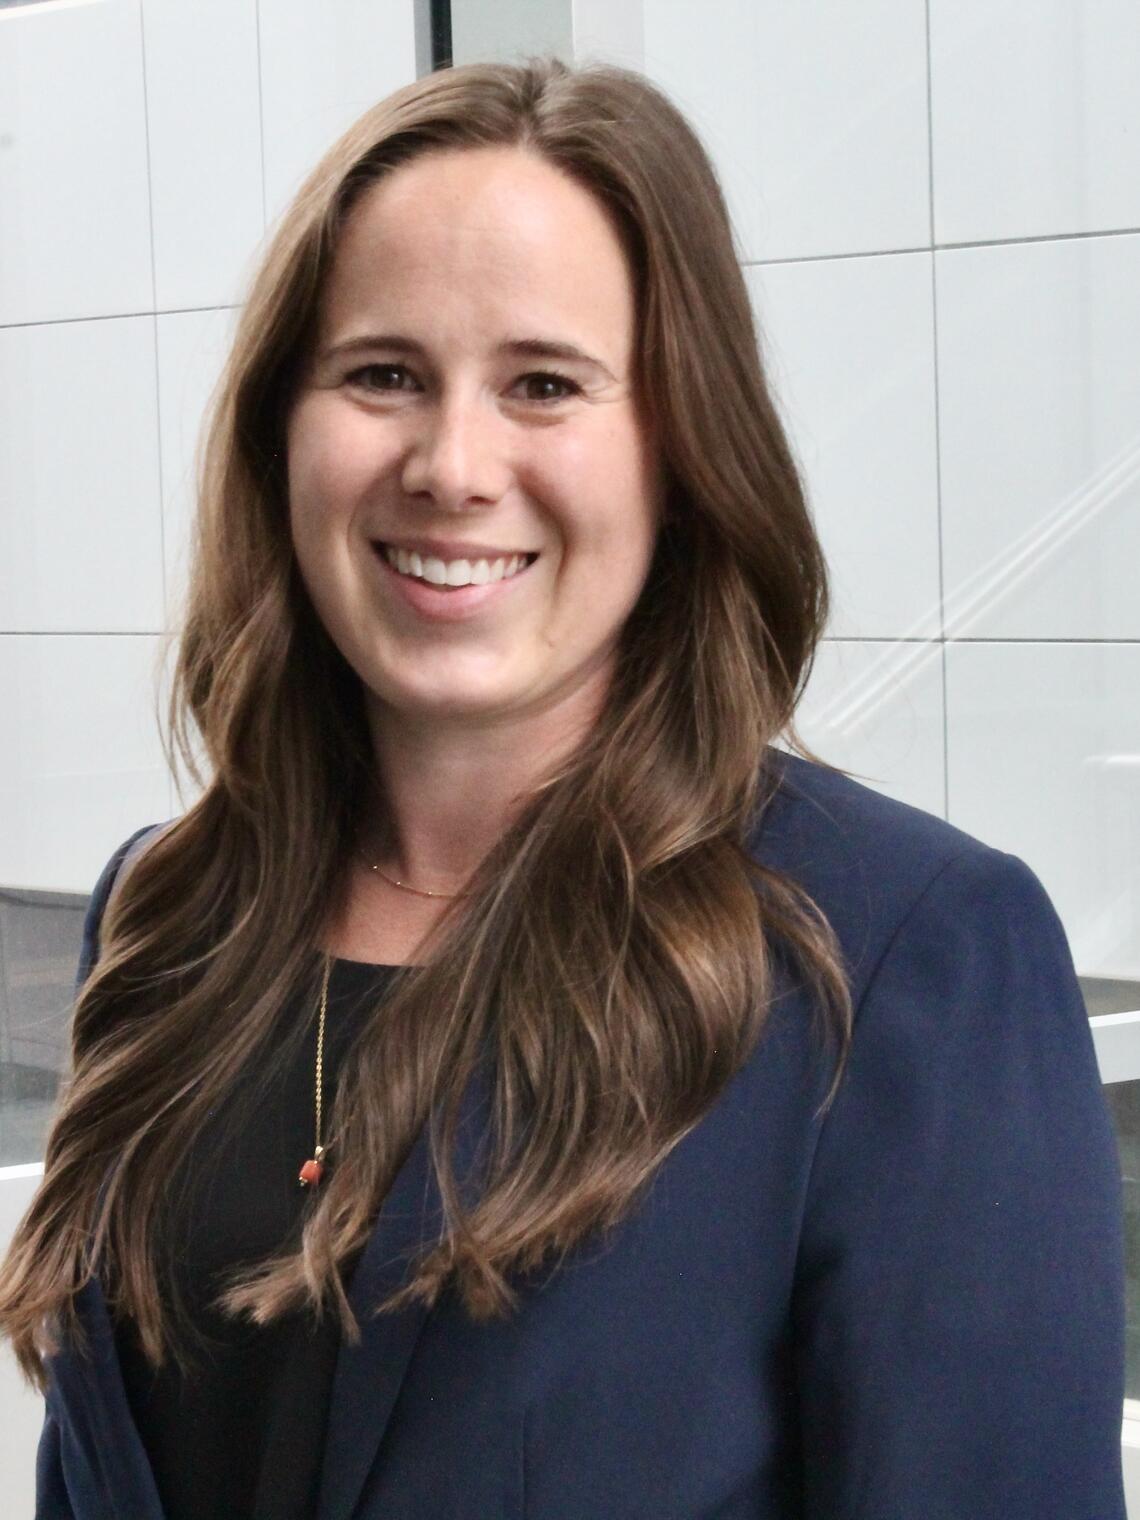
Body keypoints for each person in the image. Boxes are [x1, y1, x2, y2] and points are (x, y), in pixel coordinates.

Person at [0, 56, 1126, 1520]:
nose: (452, 465)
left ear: (678, 448)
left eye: (545, 384)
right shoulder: (168, 916)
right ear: (284, 427)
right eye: (383, 374)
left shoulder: (905, 956)